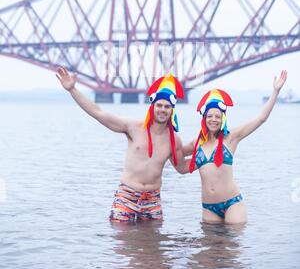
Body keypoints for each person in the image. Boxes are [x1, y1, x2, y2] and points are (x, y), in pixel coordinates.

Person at [56, 68, 185, 223]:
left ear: (172, 110)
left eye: (167, 106)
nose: (162, 110)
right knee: (122, 241)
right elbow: (98, 113)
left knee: (153, 243)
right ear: (152, 106)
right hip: (127, 195)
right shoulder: (133, 127)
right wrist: (72, 90)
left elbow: (182, 167)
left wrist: (209, 152)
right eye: (159, 105)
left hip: (153, 199)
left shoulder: (173, 140)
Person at [177, 70, 288, 224]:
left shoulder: (231, 138)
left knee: (232, 245)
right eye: (210, 116)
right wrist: (165, 141)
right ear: (204, 118)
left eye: (218, 116)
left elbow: (261, 119)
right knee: (210, 247)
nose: (213, 120)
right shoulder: (198, 143)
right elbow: (181, 163)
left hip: (232, 204)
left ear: (223, 119)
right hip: (209, 208)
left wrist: (275, 91)